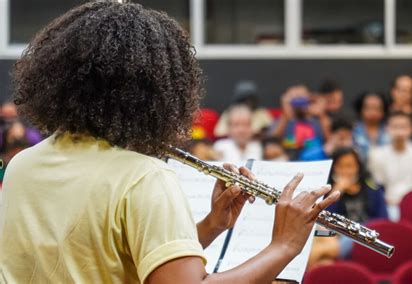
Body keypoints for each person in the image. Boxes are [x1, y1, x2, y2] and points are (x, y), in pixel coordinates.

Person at [0, 2, 341, 283]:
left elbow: (108, 259)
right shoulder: (144, 177)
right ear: (161, 92)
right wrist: (284, 245)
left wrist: (211, 226)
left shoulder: (23, 164)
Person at [308, 147, 387, 268]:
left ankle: (322, 253)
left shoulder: (372, 189)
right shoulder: (327, 191)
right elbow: (324, 220)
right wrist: (337, 191)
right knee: (323, 262)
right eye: (340, 166)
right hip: (335, 236)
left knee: (352, 237)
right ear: (333, 168)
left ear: (358, 167)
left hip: (366, 234)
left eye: (350, 166)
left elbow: (383, 220)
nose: (345, 171)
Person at [368, 111, 412, 220]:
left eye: (404, 126)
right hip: (388, 206)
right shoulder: (376, 155)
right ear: (387, 128)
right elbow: (376, 186)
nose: (399, 131)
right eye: (395, 126)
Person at [270, 85, 325, 160]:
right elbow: (274, 139)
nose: (299, 102)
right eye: (295, 98)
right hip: (288, 160)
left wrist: (321, 114)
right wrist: (286, 115)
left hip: (313, 159)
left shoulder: (316, 120)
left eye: (302, 97)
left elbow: (326, 139)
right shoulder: (283, 120)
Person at [352, 91, 390, 160]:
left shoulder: (390, 131)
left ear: (383, 110)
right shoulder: (352, 131)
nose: (372, 112)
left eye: (377, 108)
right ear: (361, 109)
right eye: (368, 107)